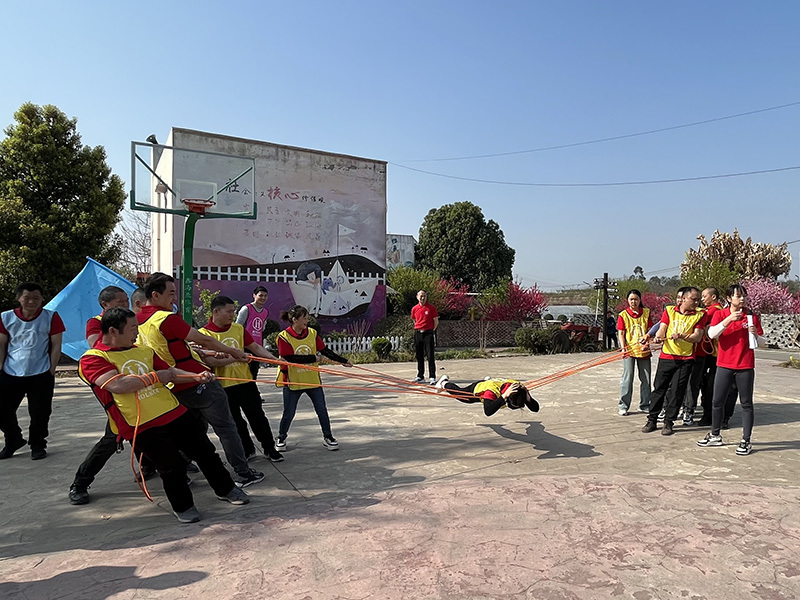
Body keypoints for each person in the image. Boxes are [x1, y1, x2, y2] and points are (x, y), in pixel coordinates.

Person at [78, 308, 249, 523]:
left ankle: (226, 489)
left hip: (173, 411)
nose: (137, 333)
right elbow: (118, 385)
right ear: (113, 330)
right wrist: (155, 377)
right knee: (171, 466)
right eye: (132, 329)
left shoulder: (143, 351)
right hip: (140, 424)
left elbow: (171, 372)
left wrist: (196, 376)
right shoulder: (93, 359)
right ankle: (184, 507)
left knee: (206, 452)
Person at [137, 273, 264, 488]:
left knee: (189, 432)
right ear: (155, 295)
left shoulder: (138, 322)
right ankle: (243, 473)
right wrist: (233, 351)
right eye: (171, 294)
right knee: (226, 428)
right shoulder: (165, 319)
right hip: (198, 381)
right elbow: (203, 338)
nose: (174, 299)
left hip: (172, 384)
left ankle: (184, 469)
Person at [69, 286, 159, 505]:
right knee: (116, 433)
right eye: (119, 302)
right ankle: (80, 483)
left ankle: (149, 464)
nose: (125, 304)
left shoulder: (130, 320)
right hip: (110, 382)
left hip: (135, 377)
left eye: (126, 300)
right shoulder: (95, 322)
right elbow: (97, 348)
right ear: (105, 305)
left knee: (145, 423)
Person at [199, 296, 284, 462]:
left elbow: (255, 347)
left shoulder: (238, 329)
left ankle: (269, 448)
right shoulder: (204, 334)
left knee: (257, 417)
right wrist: (236, 356)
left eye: (233, 311)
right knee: (235, 422)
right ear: (216, 311)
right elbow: (211, 361)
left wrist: (275, 359)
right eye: (229, 311)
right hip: (223, 386)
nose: (232, 314)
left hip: (245, 382)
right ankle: (247, 449)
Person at [697, 284, 765, 455]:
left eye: (743, 296)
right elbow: (712, 334)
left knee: (746, 404)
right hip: (724, 365)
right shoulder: (720, 314)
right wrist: (728, 320)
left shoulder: (751, 316)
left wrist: (756, 333)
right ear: (728, 299)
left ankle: (746, 440)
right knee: (716, 402)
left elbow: (763, 343)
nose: (741, 299)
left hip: (745, 366)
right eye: (737, 296)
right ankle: (715, 435)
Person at [0, 282, 64, 460]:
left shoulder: (51, 317)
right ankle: (13, 439)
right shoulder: (6, 318)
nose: (31, 302)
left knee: (40, 413)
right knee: (2, 410)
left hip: (41, 372)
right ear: (19, 298)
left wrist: (51, 369)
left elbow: (56, 345)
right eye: (27, 298)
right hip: (11, 372)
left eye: (36, 298)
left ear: (42, 299)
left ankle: (38, 445)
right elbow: (1, 344)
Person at [274, 305, 352, 451]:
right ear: (294, 320)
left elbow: (324, 350)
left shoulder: (312, 333)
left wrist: (342, 361)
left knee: (322, 409)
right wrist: (314, 357)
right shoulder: (283, 337)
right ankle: (281, 437)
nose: (307, 320)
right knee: (289, 412)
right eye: (304, 318)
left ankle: (328, 437)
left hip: (312, 380)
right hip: (293, 381)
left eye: (307, 317)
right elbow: (290, 358)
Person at [640, 287, 706, 436]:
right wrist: (657, 337)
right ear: (683, 299)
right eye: (693, 299)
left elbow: (697, 337)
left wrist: (682, 336)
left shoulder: (700, 315)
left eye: (698, 300)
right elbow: (662, 328)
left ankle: (669, 422)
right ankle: (652, 419)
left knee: (677, 391)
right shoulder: (669, 311)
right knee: (659, 389)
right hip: (667, 356)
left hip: (686, 359)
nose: (697, 302)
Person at [616, 290, 653, 416]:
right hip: (629, 351)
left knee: (646, 379)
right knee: (627, 378)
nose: (633, 302)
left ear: (640, 300)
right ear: (628, 300)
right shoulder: (623, 315)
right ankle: (623, 406)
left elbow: (650, 330)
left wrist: (647, 343)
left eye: (636, 299)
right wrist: (623, 348)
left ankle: (645, 404)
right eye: (631, 299)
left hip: (643, 350)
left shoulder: (646, 313)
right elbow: (621, 333)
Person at [435, 375, 539, 416]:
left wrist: (528, 397)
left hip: (496, 387)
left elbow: (535, 409)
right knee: (461, 395)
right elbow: (488, 412)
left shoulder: (519, 389)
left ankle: (487, 380)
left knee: (493, 396)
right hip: (479, 389)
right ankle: (444, 383)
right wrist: (503, 397)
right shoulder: (491, 391)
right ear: (506, 396)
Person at [694, 287, 724, 427]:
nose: (702, 299)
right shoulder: (717, 310)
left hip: (714, 355)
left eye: (704, 296)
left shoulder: (714, 311)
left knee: (709, 386)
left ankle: (710, 415)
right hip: (711, 354)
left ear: (713, 297)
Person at [236, 285, 270, 380]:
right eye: (260, 295)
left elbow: (262, 328)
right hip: (245, 346)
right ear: (254, 295)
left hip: (257, 347)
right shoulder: (246, 309)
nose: (263, 298)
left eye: (265, 296)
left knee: (253, 373)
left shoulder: (265, 312)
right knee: (243, 372)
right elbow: (237, 326)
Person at [411, 290, 439, 384]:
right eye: (421, 296)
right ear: (417, 297)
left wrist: (431, 330)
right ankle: (420, 375)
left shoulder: (431, 308)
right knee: (419, 355)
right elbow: (414, 320)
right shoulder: (414, 309)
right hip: (418, 332)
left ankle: (432, 376)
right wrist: (419, 328)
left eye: (424, 296)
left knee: (430, 355)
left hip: (428, 333)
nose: (423, 298)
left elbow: (436, 321)